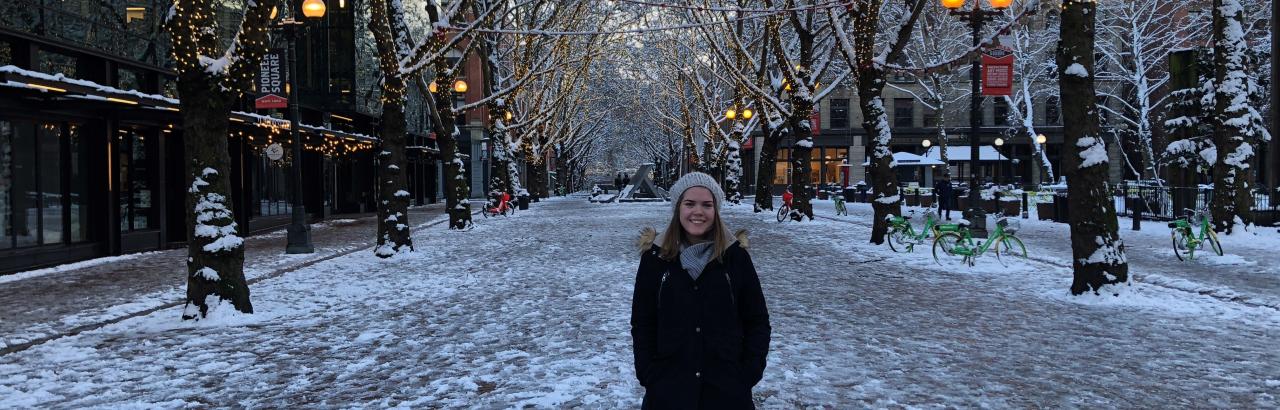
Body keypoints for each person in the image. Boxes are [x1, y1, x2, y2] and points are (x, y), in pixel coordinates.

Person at [632, 172, 771, 409]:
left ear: (716, 210)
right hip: (667, 393)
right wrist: (649, 374)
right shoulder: (654, 259)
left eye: (707, 205)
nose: (698, 211)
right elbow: (643, 322)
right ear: (677, 208)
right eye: (690, 204)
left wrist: (748, 372)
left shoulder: (736, 257)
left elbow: (756, 320)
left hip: (727, 392)